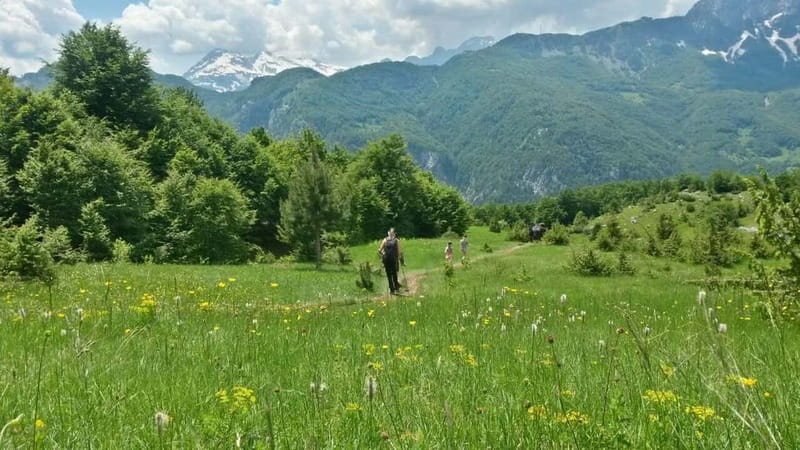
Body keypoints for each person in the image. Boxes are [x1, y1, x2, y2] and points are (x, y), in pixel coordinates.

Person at [378, 228, 403, 295]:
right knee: (394, 274)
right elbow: (399, 251)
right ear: (394, 233)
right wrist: (399, 258)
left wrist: (384, 254)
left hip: (386, 259)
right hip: (393, 259)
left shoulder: (385, 240)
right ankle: (396, 288)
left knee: (389, 275)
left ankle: (392, 290)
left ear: (388, 233)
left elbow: (380, 250)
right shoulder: (396, 240)